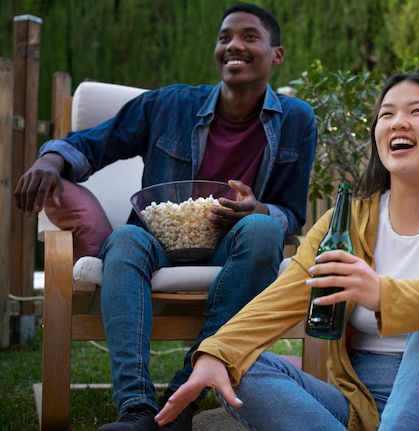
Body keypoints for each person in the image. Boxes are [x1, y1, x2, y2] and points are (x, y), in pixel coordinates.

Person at [155, 73, 419, 431]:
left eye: (417, 111)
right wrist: (217, 353)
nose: (398, 122)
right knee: (241, 368)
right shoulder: (348, 221)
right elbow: (286, 295)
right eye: (387, 114)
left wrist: (383, 294)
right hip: (364, 405)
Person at [14, 3, 316, 431]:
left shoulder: (298, 121)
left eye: (250, 36)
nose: (234, 44)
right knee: (125, 239)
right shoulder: (167, 104)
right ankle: (136, 408)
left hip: (234, 247)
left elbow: (291, 212)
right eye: (225, 36)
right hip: (157, 243)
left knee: (265, 228)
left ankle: (183, 396)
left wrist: (259, 209)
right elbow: (92, 143)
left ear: (276, 54)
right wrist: (49, 162)